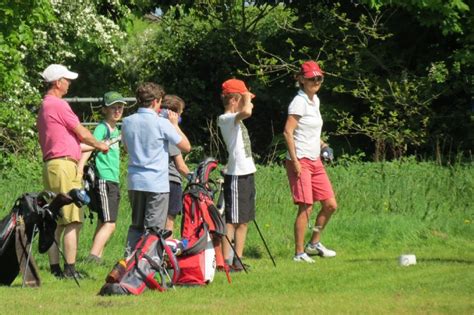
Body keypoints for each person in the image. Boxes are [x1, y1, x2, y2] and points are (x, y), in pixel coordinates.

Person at [37, 64, 109, 278]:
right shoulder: (59, 105)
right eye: (66, 80)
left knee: (56, 219)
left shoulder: (45, 106)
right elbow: (82, 132)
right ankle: (70, 270)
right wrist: (99, 144)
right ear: (58, 82)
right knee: (72, 219)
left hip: (53, 165)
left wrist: (94, 144)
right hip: (64, 167)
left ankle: (56, 269)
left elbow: (68, 141)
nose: (69, 83)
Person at [121, 82, 191, 257]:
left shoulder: (127, 122)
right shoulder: (161, 123)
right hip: (157, 183)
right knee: (154, 229)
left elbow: (127, 148)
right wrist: (174, 124)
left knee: (136, 226)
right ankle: (150, 264)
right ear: (156, 101)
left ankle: (129, 262)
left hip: (135, 181)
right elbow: (186, 146)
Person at [283, 60, 338, 263]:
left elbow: (311, 133)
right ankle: (298, 253)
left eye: (319, 78)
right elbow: (288, 132)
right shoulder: (299, 102)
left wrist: (324, 146)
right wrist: (295, 161)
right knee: (306, 206)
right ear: (302, 80)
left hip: (315, 160)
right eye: (312, 78)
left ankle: (313, 243)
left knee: (330, 205)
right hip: (301, 161)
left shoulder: (315, 101)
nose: (316, 81)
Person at [77, 91, 125, 264]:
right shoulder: (102, 128)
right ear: (105, 109)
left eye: (120, 107)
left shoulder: (116, 129)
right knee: (110, 224)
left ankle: (97, 256)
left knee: (103, 220)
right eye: (113, 107)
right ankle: (93, 258)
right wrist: (80, 166)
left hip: (113, 179)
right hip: (104, 178)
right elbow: (90, 146)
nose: (117, 110)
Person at [218, 78, 257, 271]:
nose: (249, 102)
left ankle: (238, 260)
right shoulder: (225, 119)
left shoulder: (235, 119)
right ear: (234, 100)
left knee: (244, 219)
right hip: (236, 175)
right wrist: (247, 99)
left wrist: (246, 97)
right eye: (243, 98)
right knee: (232, 220)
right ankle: (226, 260)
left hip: (247, 172)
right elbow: (248, 111)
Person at [159, 95, 191, 237]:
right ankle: (167, 254)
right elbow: (180, 165)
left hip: (156, 180)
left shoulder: (155, 127)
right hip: (171, 181)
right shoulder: (169, 132)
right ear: (173, 113)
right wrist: (195, 178)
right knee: (169, 221)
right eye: (180, 112)